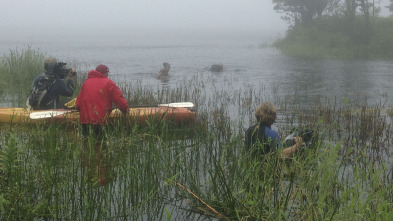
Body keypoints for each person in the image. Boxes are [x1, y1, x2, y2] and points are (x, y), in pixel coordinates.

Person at [75, 64, 129, 137]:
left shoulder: (86, 83)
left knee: (87, 144)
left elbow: (78, 105)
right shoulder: (109, 83)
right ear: (105, 73)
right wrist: (125, 110)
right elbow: (119, 99)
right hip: (100, 121)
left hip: (85, 121)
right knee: (101, 145)